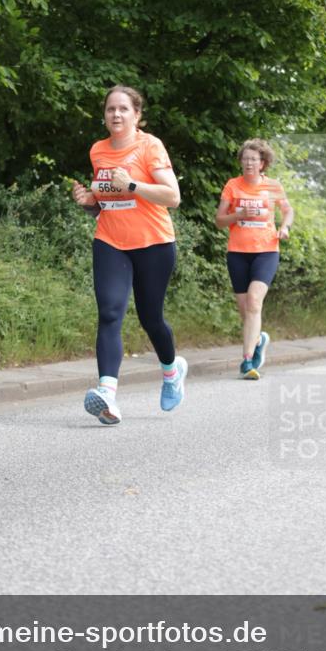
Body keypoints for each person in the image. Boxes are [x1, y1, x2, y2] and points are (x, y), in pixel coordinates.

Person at [71, 85, 187, 425]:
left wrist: (132, 185)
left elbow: (172, 196)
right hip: (110, 240)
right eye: (110, 109)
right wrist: (89, 203)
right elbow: (108, 204)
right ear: (105, 115)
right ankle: (107, 393)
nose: (116, 115)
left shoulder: (150, 147)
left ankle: (171, 371)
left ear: (137, 115)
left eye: (123, 109)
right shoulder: (98, 150)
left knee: (151, 318)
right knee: (109, 312)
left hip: (153, 242)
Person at [215, 139, 293, 380]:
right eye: (245, 159)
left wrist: (285, 227)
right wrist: (237, 214)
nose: (248, 163)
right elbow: (219, 220)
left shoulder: (273, 186)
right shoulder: (232, 185)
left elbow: (288, 210)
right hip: (237, 252)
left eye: (253, 159)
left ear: (263, 163)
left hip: (267, 250)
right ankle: (259, 340)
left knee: (254, 301)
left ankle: (248, 360)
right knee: (246, 309)